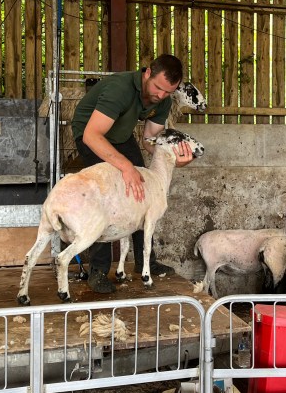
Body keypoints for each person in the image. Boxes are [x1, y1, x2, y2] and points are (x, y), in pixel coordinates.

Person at [71, 54, 196, 293]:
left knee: (143, 188)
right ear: (147, 73)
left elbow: (151, 143)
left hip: (120, 136)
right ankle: (98, 270)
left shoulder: (163, 101)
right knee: (107, 196)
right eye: (158, 88)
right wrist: (125, 167)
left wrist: (173, 159)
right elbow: (92, 135)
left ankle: (144, 262)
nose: (160, 95)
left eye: (167, 92)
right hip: (90, 133)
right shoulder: (121, 88)